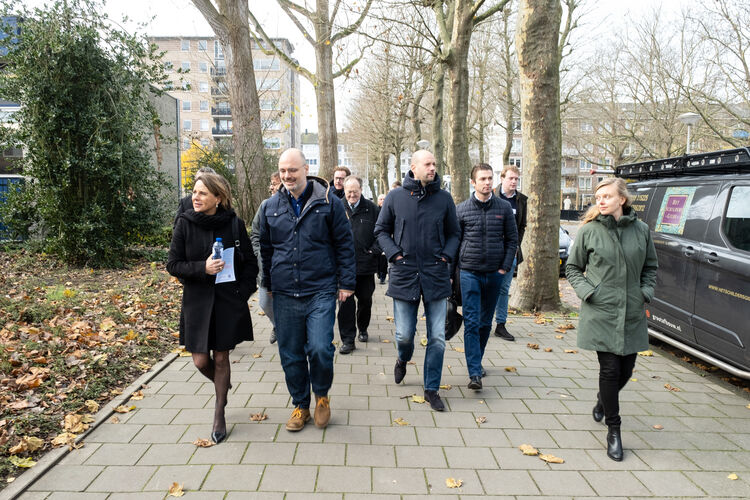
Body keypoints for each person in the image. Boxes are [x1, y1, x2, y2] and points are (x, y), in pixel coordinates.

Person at [259, 148, 356, 431]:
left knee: (319, 349)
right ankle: (300, 405)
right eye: (283, 171)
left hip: (321, 289)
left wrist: (346, 282)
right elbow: (265, 249)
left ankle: (322, 396)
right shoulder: (270, 206)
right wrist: (268, 285)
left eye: (293, 170)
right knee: (290, 352)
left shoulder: (328, 202)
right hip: (285, 291)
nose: (287, 176)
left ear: (305, 169)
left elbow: (344, 244)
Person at [566, 177, 657, 462]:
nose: (601, 201)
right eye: (598, 197)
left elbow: (651, 267)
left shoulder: (641, 231)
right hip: (601, 311)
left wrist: (645, 292)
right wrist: (588, 293)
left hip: (631, 312)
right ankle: (614, 430)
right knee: (609, 370)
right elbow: (572, 268)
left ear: (622, 199)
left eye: (606, 196)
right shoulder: (589, 231)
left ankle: (603, 400)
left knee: (626, 370)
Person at [167, 173, 258, 444]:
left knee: (221, 358)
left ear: (218, 198)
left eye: (203, 193)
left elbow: (251, 263)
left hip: (227, 301)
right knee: (200, 361)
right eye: (194, 192)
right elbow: (173, 264)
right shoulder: (184, 223)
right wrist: (201, 268)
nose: (195, 197)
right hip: (196, 302)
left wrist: (242, 293)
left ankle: (220, 412)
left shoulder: (234, 224)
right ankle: (223, 384)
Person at [375, 149, 460, 412]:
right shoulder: (396, 197)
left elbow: (454, 234)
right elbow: (381, 230)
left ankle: (431, 388)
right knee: (404, 335)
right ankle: (402, 359)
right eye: (428, 163)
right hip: (404, 274)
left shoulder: (444, 199)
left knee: (437, 337)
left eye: (435, 163)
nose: (433, 167)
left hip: (436, 275)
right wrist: (395, 255)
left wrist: (446, 256)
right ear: (413, 167)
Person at [456, 164, 518, 390]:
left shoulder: (503, 208)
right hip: (469, 272)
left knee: (484, 323)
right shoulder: (461, 210)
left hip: (494, 274)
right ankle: (474, 372)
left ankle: (477, 361)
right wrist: (453, 276)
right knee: (471, 322)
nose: (487, 182)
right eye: (482, 179)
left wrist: (503, 267)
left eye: (490, 178)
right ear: (473, 182)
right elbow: (455, 243)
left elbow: (513, 240)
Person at [337, 175, 380, 353]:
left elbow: (381, 233)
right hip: (343, 266)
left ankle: (362, 327)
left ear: (361, 190)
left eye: (355, 192)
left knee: (365, 300)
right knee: (345, 303)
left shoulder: (372, 209)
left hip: (365, 265)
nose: (352, 195)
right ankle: (348, 339)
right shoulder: (336, 206)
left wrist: (373, 251)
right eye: (349, 192)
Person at [493, 165, 527, 341]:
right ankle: (481, 323)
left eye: (516, 179)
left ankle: (501, 325)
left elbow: (522, 226)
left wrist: (514, 247)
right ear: (502, 178)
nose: (514, 182)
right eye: (511, 178)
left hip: (510, 253)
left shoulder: (521, 200)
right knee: (486, 287)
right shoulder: (491, 195)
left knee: (504, 290)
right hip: (490, 252)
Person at [250, 172, 281, 344]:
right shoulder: (265, 206)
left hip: (285, 267)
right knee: (264, 302)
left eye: (274, 184)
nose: (271, 187)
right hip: (265, 268)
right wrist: (259, 253)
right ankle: (278, 324)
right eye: (271, 183)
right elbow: (255, 233)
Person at [376, 194, 388, 285]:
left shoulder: (389, 210)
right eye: (381, 199)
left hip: (385, 237)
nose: (383, 201)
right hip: (376, 237)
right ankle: (379, 273)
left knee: (384, 258)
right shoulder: (375, 210)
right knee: (378, 258)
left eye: (384, 199)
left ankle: (383, 276)